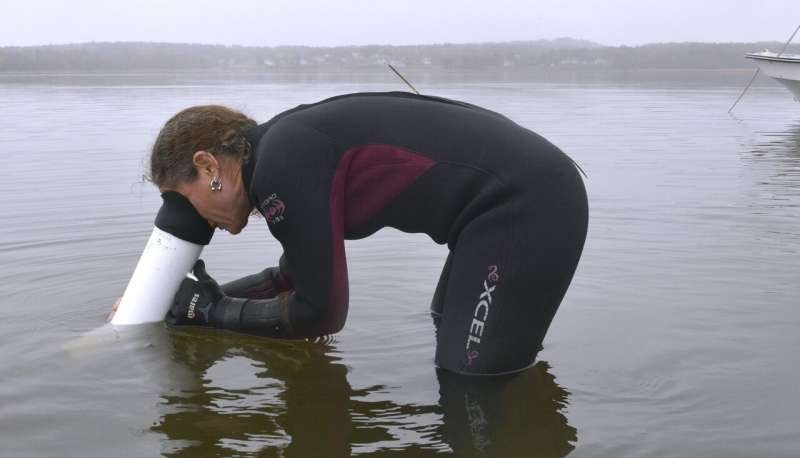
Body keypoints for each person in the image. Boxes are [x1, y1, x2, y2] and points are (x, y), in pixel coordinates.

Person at [150, 91, 588, 376]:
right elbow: (293, 279)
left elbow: (321, 312)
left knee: (469, 375)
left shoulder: (281, 164)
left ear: (208, 167)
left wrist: (211, 313)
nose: (197, 223)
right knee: (446, 327)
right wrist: (192, 299)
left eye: (182, 202)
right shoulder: (279, 151)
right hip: (508, 204)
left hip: (525, 204)